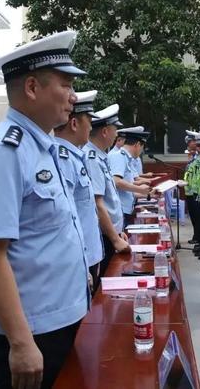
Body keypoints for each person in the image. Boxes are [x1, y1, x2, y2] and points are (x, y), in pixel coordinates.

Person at [0, 31, 90, 389]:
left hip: (59, 317)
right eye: (66, 85)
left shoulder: (43, 146)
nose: (74, 97)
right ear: (33, 87)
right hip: (34, 330)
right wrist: (21, 343)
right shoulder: (4, 154)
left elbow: (52, 231)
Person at [54, 90, 103, 289]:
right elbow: (66, 220)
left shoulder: (75, 157)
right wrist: (80, 266)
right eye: (89, 121)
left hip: (89, 255)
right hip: (79, 262)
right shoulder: (62, 159)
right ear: (74, 124)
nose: (91, 127)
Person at [83, 104, 131, 275]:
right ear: (105, 132)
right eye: (114, 129)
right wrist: (114, 238)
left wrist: (118, 232)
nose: (117, 135)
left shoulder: (101, 157)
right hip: (104, 236)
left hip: (111, 234)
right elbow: (98, 203)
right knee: (105, 286)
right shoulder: (92, 158)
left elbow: (111, 201)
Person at [108, 128, 153, 227]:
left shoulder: (126, 158)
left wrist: (149, 193)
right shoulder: (118, 156)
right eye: (142, 147)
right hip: (119, 210)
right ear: (137, 145)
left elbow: (128, 187)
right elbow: (117, 181)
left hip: (125, 209)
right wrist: (140, 189)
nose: (141, 151)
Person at [183, 130, 200, 245]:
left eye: (190, 141)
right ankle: (197, 236)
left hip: (197, 192)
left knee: (199, 218)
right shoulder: (193, 156)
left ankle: (198, 238)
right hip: (190, 191)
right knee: (194, 218)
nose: (188, 144)